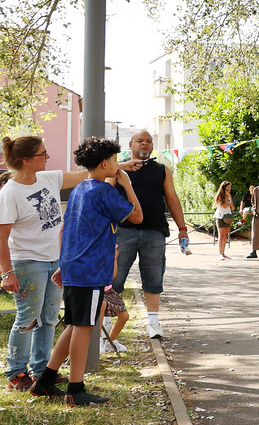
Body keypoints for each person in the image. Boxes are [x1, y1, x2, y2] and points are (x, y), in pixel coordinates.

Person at [32, 137, 143, 405]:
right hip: (91, 269)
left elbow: (67, 229)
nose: (118, 165)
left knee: (75, 324)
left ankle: (45, 381)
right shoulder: (104, 192)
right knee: (84, 327)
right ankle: (76, 389)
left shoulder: (81, 188)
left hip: (75, 266)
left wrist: (64, 264)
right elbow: (137, 216)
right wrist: (127, 185)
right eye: (115, 160)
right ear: (105, 163)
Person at [0, 135, 93, 392]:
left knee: (49, 318)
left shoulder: (48, 177)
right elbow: (1, 238)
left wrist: (121, 165)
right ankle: (16, 373)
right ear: (26, 160)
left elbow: (86, 174)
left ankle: (41, 371)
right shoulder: (10, 193)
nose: (48, 157)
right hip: (28, 263)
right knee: (28, 318)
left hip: (55, 260)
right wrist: (6, 273)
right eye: (43, 154)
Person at [115, 130, 188, 339]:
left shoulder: (162, 170)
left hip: (154, 232)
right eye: (140, 141)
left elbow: (172, 200)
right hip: (123, 232)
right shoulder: (118, 170)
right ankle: (107, 325)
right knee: (114, 279)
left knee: (154, 278)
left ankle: (153, 323)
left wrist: (183, 229)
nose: (144, 144)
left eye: (148, 141)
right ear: (130, 144)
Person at [214, 181, 235, 259]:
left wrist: (229, 198)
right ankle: (220, 254)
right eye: (228, 187)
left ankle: (223, 253)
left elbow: (233, 207)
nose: (230, 189)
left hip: (228, 217)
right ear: (224, 188)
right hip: (220, 217)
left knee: (225, 236)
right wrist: (228, 201)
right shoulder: (220, 196)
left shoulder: (229, 196)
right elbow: (224, 205)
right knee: (221, 236)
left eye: (230, 187)